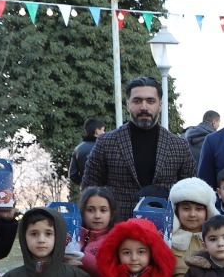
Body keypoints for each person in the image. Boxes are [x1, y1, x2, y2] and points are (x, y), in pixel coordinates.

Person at [82, 78, 197, 220]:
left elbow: (191, 192)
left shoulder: (179, 146)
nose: (144, 107)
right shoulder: (106, 143)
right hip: (118, 230)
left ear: (160, 105)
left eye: (150, 101)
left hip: (165, 232)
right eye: (137, 101)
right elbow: (89, 190)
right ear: (127, 105)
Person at [69, 119, 105, 192]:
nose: (104, 133)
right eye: (103, 130)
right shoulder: (105, 147)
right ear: (97, 131)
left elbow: (72, 174)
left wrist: (84, 183)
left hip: (86, 192)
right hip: (104, 191)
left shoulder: (78, 149)